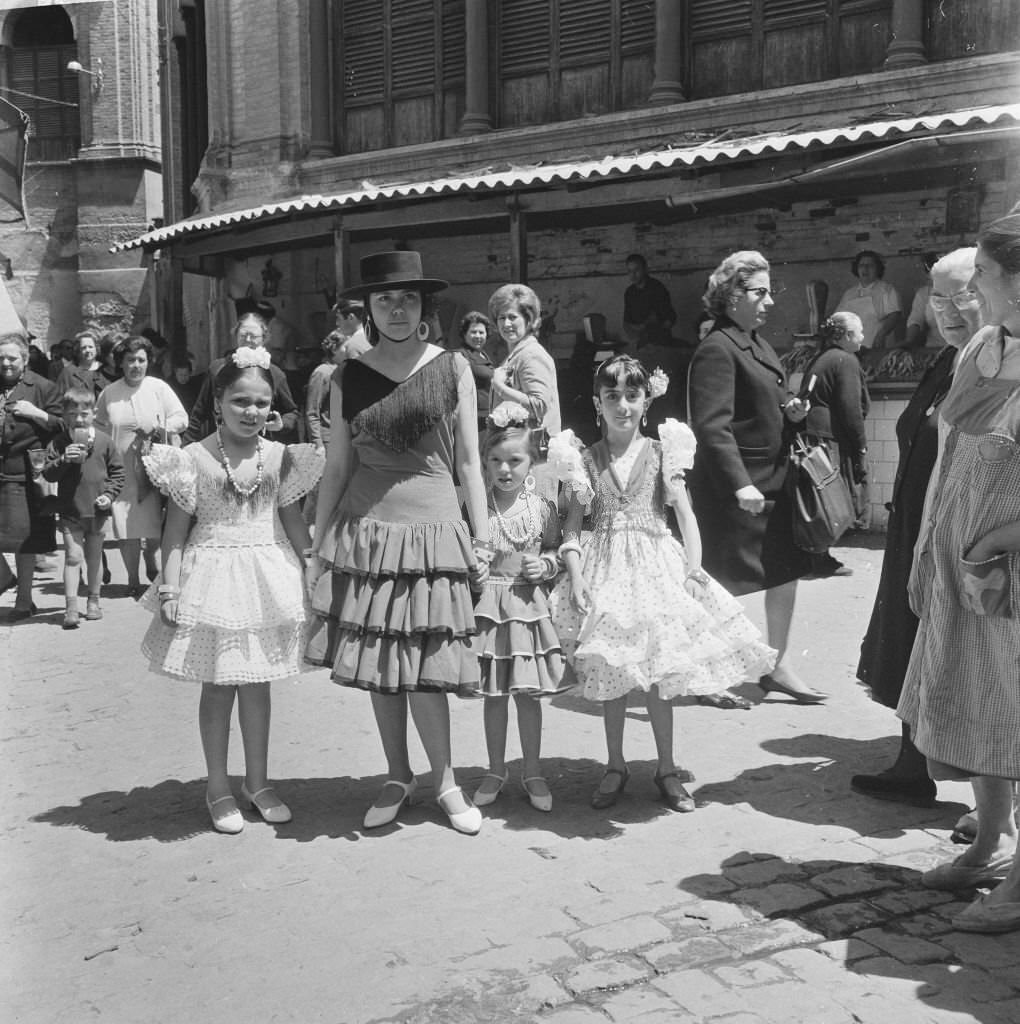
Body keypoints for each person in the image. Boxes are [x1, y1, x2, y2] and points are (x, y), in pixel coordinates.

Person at [305, 251, 490, 836]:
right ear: (368, 311)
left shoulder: (454, 366)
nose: (398, 310)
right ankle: (396, 775)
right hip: (368, 533)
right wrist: (318, 544)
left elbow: (468, 462)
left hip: (435, 533)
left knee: (428, 662)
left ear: (423, 306)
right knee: (380, 662)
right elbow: (337, 465)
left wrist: (482, 539)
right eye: (385, 300)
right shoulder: (346, 377)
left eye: (408, 299)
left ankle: (446, 781)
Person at [550, 356, 775, 811]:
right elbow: (571, 530)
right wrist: (574, 577)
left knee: (657, 675)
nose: (622, 406)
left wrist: (693, 570)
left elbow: (686, 517)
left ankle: (666, 768)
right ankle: (615, 764)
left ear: (646, 401)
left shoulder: (661, 452)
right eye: (611, 397)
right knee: (612, 672)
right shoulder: (583, 459)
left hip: (656, 568)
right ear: (598, 403)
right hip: (606, 570)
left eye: (632, 396)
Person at [140, 347, 323, 834]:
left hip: (265, 575)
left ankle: (257, 782)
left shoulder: (280, 456)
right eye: (241, 401)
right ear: (219, 400)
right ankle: (218, 785)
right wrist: (170, 589)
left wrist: (312, 564)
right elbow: (175, 532)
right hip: (213, 575)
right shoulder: (192, 458)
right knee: (219, 686)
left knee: (258, 685)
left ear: (273, 407)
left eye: (262, 403)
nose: (251, 412)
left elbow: (290, 518)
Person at [898, 213, 1020, 933]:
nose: (971, 286)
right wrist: (926, 544)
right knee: (979, 698)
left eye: (983, 273)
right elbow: (949, 452)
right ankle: (987, 844)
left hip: (1007, 563)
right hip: (962, 556)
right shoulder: (983, 345)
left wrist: (996, 541)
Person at [852, 247, 980, 807]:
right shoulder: (948, 360)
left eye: (962, 295)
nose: (946, 310)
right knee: (908, 639)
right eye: (937, 297)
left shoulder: (992, 366)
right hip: (916, 528)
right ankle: (914, 762)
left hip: (959, 533)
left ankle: (983, 797)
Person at [687, 251, 824, 704]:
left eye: (770, 292)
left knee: (785, 571)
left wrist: (792, 410)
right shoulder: (717, 348)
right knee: (723, 581)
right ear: (731, 296)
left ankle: (777, 665)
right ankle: (706, 671)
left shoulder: (757, 343)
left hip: (773, 482)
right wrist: (739, 483)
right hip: (737, 490)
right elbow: (711, 425)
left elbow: (762, 405)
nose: (769, 302)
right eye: (759, 292)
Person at [471, 401, 567, 814]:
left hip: (528, 609)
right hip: (490, 611)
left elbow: (557, 553)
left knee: (528, 696)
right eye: (496, 460)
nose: (505, 469)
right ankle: (495, 769)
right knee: (494, 695)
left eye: (515, 460)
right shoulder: (476, 508)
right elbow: (463, 551)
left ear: (531, 463)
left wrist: (544, 565)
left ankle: (532, 769)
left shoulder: (542, 509)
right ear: (485, 462)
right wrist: (470, 569)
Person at [95, 335, 188, 595]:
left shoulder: (159, 388)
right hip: (121, 469)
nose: (136, 365)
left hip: (155, 469)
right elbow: (97, 426)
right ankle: (134, 581)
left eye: (141, 360)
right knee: (127, 527)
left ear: (148, 362)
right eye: (130, 360)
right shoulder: (109, 394)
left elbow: (182, 418)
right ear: (121, 364)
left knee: (155, 527)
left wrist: (161, 427)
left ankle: (151, 558)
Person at [42, 387, 124, 627]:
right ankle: (71, 608)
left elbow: (118, 473)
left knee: (94, 557)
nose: (78, 418)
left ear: (94, 413)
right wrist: (64, 459)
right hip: (71, 509)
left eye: (84, 413)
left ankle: (93, 601)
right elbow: (48, 474)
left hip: (97, 511)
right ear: (65, 415)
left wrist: (109, 495)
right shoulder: (59, 442)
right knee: (73, 557)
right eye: (72, 414)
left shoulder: (104, 441)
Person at [800, 311, 871, 577]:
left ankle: (817, 556)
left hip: (813, 436)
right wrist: (861, 445)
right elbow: (851, 409)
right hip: (828, 439)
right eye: (860, 331)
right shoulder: (846, 360)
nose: (863, 337)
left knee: (818, 498)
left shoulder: (824, 358)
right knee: (829, 500)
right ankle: (820, 559)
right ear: (847, 335)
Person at [0, 331, 61, 618]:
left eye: (12, 358)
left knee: (24, 540)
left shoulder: (43, 388)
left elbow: (65, 425)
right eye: (1, 358)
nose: (6, 363)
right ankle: (3, 578)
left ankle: (24, 600)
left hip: (22, 474)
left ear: (24, 360)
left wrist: (36, 413)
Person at [183, 312, 299, 444]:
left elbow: (292, 412)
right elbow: (200, 412)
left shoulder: (275, 374)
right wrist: (187, 445)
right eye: (243, 335)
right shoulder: (217, 368)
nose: (248, 340)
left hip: (260, 446)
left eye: (253, 336)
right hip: (220, 445)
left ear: (264, 338)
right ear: (236, 335)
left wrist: (282, 424)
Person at [489, 284, 561, 440]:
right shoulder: (517, 354)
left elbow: (539, 406)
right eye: (502, 318)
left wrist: (500, 387)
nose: (506, 324)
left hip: (533, 452)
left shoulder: (531, 354)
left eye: (512, 317)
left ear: (529, 320)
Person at [305, 299, 371, 453]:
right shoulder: (372, 339)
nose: (337, 324)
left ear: (351, 318)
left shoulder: (354, 345)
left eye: (339, 318)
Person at [835, 250, 902, 349]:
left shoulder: (887, 290)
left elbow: (895, 315)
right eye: (861, 265)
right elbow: (838, 319)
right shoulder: (849, 294)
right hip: (852, 349)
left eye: (870, 266)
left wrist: (881, 335)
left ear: (878, 269)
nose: (865, 269)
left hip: (876, 347)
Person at [455, 311, 497, 434]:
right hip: (473, 419)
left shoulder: (484, 355)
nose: (478, 336)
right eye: (473, 332)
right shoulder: (460, 355)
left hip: (488, 418)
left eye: (481, 332)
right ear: (464, 334)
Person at [622, 254, 677, 348]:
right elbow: (626, 322)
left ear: (645, 269)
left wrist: (658, 334)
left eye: (636, 270)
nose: (633, 275)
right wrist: (635, 335)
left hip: (659, 343)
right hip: (639, 341)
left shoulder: (657, 288)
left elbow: (671, 318)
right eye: (630, 271)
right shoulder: (629, 292)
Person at [56, 330, 105, 399]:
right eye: (83, 348)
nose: (87, 350)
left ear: (96, 349)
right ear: (78, 351)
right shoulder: (68, 373)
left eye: (90, 347)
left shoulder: (105, 370)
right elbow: (58, 397)